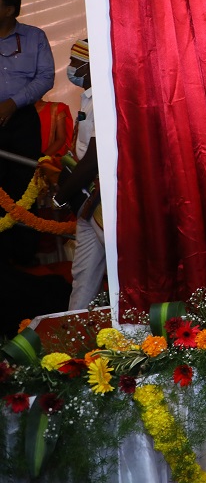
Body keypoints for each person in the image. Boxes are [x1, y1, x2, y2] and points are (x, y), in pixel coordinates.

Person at [0, 0, 54, 266]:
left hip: (22, 119)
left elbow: (45, 77)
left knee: (24, 184)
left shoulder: (34, 37)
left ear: (9, 10)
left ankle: (24, 255)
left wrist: (13, 103)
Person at [55, 39, 104, 310]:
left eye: (75, 62)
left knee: (123, 267)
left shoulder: (103, 100)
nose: (71, 68)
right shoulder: (88, 100)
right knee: (83, 274)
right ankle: (76, 325)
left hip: (103, 202)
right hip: (87, 202)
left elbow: (95, 158)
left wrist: (62, 195)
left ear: (89, 66)